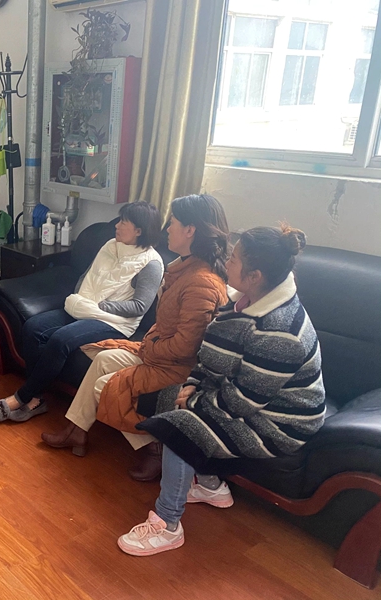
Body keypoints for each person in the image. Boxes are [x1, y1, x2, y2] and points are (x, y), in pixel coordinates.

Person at [117, 225, 325, 556]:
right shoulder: (244, 300)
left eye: (234, 258)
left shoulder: (280, 332)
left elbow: (243, 402)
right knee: (166, 396)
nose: (227, 261)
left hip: (280, 423)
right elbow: (212, 355)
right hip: (243, 399)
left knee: (181, 426)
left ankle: (167, 525)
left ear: (255, 276)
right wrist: (192, 385)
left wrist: (194, 402)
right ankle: (211, 485)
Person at [42, 194, 229, 469]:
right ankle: (76, 431)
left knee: (105, 387)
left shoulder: (201, 282)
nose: (167, 229)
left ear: (190, 230)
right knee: (103, 358)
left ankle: (154, 447)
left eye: (173, 222)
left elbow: (186, 347)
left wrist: (150, 346)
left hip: (174, 367)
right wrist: (149, 343)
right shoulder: (181, 268)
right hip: (157, 353)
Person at [0, 202, 164, 423]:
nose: (116, 226)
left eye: (123, 222)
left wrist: (101, 305)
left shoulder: (151, 263)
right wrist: (81, 299)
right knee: (33, 327)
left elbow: (139, 306)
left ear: (139, 230)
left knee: (61, 339)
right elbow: (87, 276)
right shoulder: (111, 245)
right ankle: (36, 399)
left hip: (114, 321)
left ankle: (21, 397)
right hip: (84, 306)